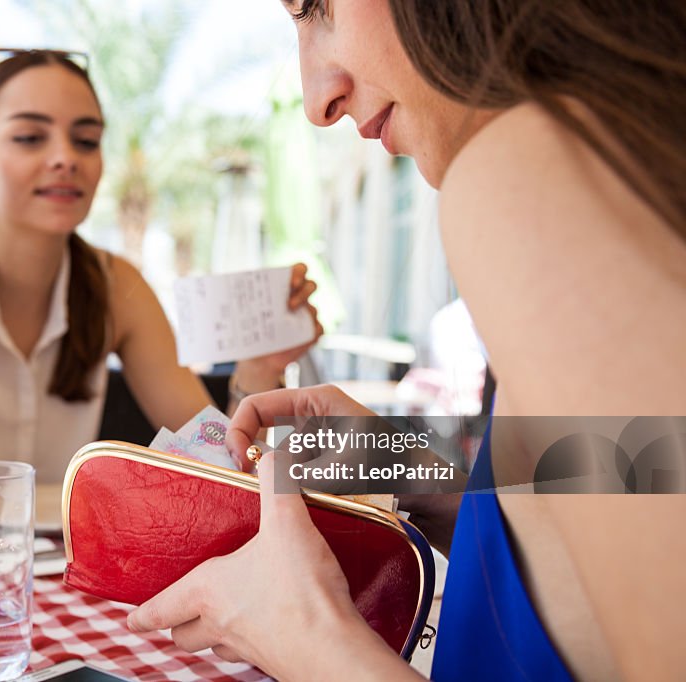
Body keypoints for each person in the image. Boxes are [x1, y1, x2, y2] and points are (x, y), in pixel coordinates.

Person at [127, 1, 686, 679]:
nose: (316, 101)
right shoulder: (628, 155)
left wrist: (304, 635)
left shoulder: (527, 170)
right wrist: (426, 477)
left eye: (315, 6)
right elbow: (637, 490)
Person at [0, 50, 321, 531]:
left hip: (40, 570)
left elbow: (216, 462)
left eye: (86, 140)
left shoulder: (114, 285)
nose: (65, 157)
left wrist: (260, 372)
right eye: (29, 137)